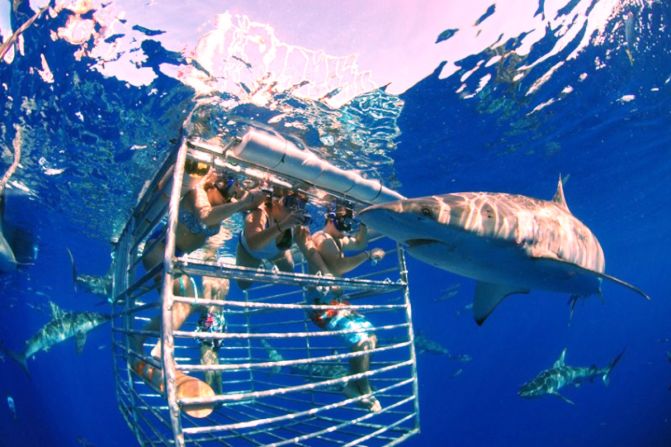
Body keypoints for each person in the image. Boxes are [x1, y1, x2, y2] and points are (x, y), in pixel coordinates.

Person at [132, 164, 265, 366]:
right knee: (185, 302)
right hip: (159, 249)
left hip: (175, 256)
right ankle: (160, 348)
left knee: (187, 303)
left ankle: (141, 339)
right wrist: (242, 202)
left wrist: (258, 189)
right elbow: (205, 216)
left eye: (233, 193)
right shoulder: (198, 192)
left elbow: (246, 204)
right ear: (213, 185)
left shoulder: (224, 205)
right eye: (227, 191)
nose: (231, 198)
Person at [297, 203, 385, 412]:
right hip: (322, 306)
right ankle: (363, 390)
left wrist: (363, 223)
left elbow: (359, 241)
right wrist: (367, 255)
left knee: (371, 337)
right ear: (330, 218)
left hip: (336, 303)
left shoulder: (337, 239)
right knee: (361, 340)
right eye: (343, 221)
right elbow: (338, 266)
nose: (347, 226)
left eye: (349, 221)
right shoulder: (322, 239)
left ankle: (355, 383)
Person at [235, 188, 308, 290]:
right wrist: (283, 225)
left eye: (301, 205)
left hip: (277, 252)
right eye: (291, 203)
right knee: (243, 285)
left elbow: (307, 245)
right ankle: (261, 265)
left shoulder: (295, 221)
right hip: (249, 253)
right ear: (275, 201)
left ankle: (266, 265)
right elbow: (253, 244)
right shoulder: (258, 214)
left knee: (289, 273)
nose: (295, 209)